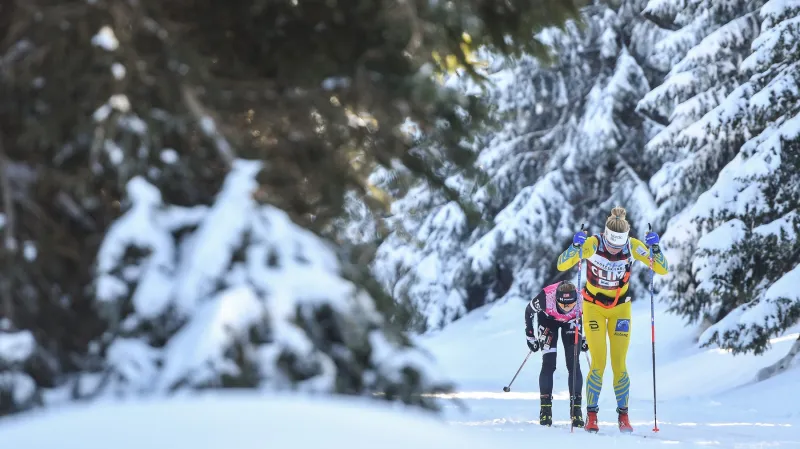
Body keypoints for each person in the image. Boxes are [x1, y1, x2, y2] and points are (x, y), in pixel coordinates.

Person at [556, 206, 668, 433]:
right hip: (593, 307)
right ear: (605, 236)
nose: (615, 250)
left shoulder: (633, 246)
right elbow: (562, 264)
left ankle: (623, 416)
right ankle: (591, 415)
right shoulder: (594, 244)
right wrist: (575, 246)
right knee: (598, 362)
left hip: (620, 309)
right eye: (612, 245)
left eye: (619, 246)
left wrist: (655, 249)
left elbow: (662, 269)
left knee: (619, 365)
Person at [524, 280, 589, 428]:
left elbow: (591, 317)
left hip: (572, 321)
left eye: (570, 304)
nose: (566, 307)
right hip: (548, 320)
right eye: (563, 304)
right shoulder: (545, 297)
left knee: (573, 363)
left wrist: (586, 338)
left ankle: (576, 409)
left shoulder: (581, 299)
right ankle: (545, 409)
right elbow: (529, 311)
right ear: (556, 299)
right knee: (549, 363)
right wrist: (530, 336)